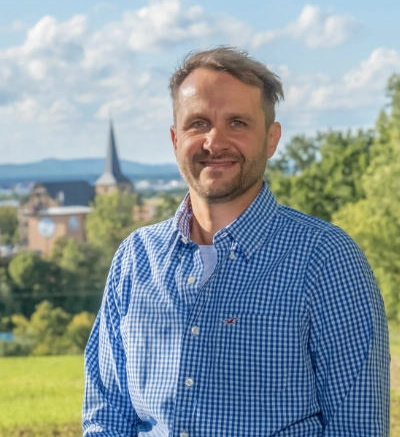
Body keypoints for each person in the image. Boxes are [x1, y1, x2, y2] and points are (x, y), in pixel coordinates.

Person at [83, 46, 390, 436]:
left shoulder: (325, 259)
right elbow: (106, 416)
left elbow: (357, 427)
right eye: (198, 123)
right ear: (176, 139)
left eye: (238, 123)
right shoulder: (136, 258)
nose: (215, 141)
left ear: (272, 139)